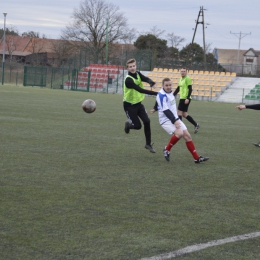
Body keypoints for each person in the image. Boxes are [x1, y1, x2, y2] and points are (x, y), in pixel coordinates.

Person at [150, 77, 209, 163]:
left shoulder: (170, 93)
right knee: (180, 133)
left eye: (170, 85)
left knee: (188, 136)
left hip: (174, 118)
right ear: (162, 86)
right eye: (166, 85)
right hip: (166, 120)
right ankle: (167, 149)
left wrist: (155, 108)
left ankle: (196, 158)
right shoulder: (161, 95)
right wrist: (174, 121)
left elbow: (158, 102)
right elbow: (166, 110)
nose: (169, 87)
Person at [123, 58, 158, 153]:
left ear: (136, 66)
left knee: (147, 121)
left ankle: (148, 144)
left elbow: (145, 78)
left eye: (133, 66)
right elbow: (140, 90)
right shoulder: (128, 80)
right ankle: (128, 126)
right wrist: (156, 93)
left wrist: (151, 82)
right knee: (138, 126)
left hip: (138, 104)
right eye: (130, 67)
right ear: (127, 68)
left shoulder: (137, 74)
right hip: (129, 106)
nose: (132, 68)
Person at [173, 67, 200, 133]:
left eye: (184, 71)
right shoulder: (181, 79)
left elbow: (190, 89)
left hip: (185, 98)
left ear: (186, 72)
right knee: (184, 114)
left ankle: (180, 128)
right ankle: (196, 124)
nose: (182, 72)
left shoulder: (187, 78)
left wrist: (187, 98)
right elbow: (178, 88)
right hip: (182, 98)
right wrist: (172, 95)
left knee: (178, 112)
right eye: (181, 71)